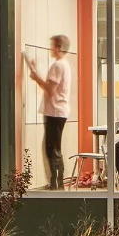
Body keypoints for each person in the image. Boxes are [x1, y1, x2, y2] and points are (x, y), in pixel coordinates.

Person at [23, 36, 73, 190]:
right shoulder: (65, 65)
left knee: (52, 149)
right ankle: (57, 183)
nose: (50, 49)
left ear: (58, 47)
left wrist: (34, 75)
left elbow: (50, 89)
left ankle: (56, 185)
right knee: (53, 148)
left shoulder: (58, 66)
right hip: (59, 112)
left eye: (52, 46)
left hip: (55, 112)